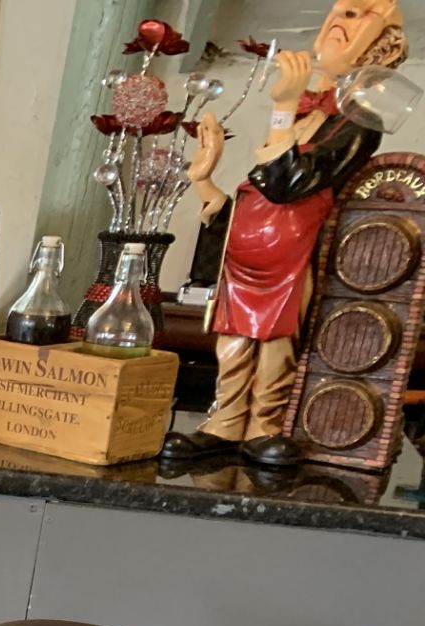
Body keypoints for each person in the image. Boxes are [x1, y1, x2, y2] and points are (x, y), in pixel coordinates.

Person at [161, 0, 406, 468]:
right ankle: (226, 421)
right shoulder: (303, 115)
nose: (340, 18)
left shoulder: (357, 122)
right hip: (246, 249)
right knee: (232, 336)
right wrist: (204, 180)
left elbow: (288, 182)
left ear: (379, 47)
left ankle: (264, 425)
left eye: (356, 16)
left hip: (293, 253)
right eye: (338, 12)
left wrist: (282, 104)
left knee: (276, 342)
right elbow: (258, 189)